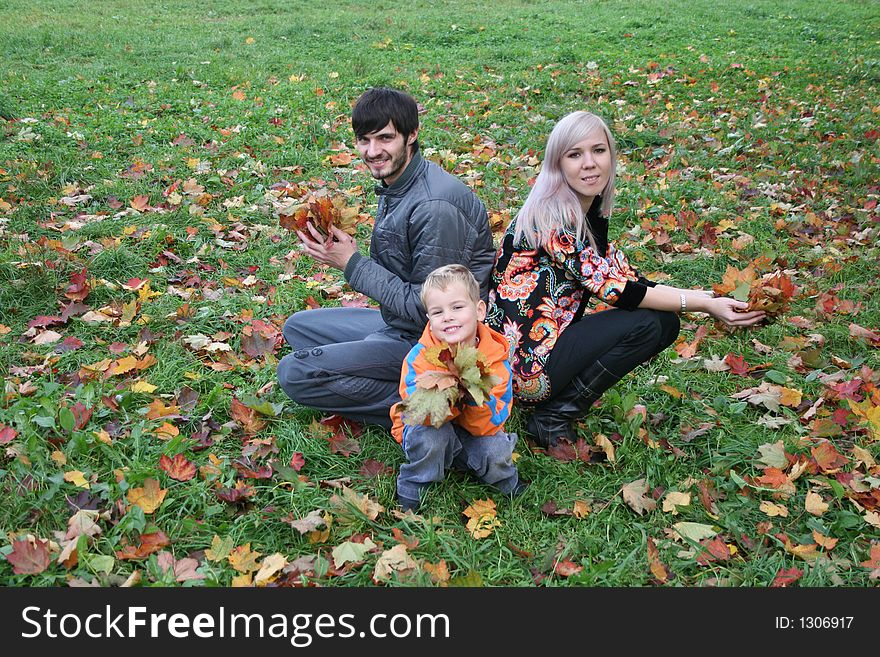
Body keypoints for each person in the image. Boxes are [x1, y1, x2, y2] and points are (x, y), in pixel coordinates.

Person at [486, 111, 766, 447]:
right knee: (650, 322)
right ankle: (552, 417)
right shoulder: (552, 218)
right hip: (522, 370)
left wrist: (714, 296)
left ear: (611, 155)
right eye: (575, 155)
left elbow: (629, 277)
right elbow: (617, 290)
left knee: (662, 320)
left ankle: (556, 409)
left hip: (543, 351)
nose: (589, 163)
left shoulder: (583, 212)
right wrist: (704, 305)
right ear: (557, 165)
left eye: (598, 150)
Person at [277, 87, 495, 429]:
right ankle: (381, 362)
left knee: (295, 373)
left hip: (435, 344)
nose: (372, 151)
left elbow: (431, 311)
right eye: (364, 140)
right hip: (399, 324)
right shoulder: (400, 181)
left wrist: (352, 263)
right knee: (298, 328)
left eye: (385, 138)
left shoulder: (434, 207)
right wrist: (344, 248)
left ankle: (437, 402)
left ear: (412, 135)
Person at [390, 264, 523, 511]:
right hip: (430, 428)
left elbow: (490, 423)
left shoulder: (494, 359)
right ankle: (414, 487)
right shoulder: (420, 358)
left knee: (496, 448)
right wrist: (448, 394)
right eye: (437, 312)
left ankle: (507, 483)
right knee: (430, 439)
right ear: (429, 318)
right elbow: (417, 413)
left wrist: (473, 397)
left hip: (476, 434)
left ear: (479, 310)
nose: (448, 317)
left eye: (458, 307)